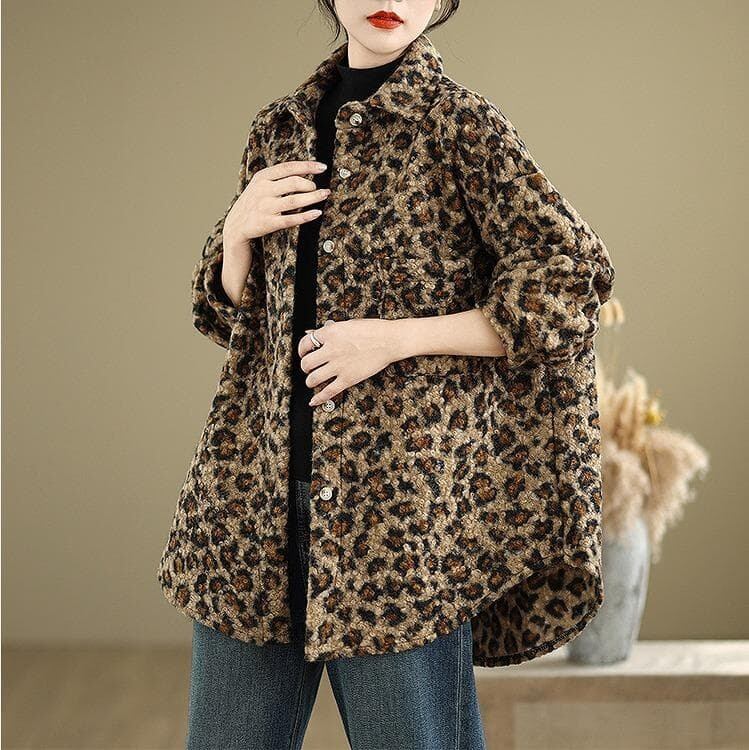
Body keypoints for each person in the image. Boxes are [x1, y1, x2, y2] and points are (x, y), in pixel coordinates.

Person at [157, 1, 616, 748]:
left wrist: (392, 340)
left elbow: (570, 282)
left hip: (396, 523)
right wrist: (236, 235)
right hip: (254, 510)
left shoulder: (460, 126)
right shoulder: (278, 131)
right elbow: (237, 325)